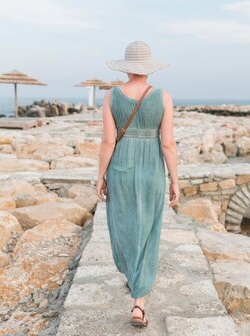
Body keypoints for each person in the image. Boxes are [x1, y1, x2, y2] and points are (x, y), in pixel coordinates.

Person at [96, 41, 180, 327]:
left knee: (123, 225)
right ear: (148, 68)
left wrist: (100, 176)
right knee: (148, 229)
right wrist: (174, 180)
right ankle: (139, 303)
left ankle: (135, 282)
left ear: (127, 67)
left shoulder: (111, 96)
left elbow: (108, 141)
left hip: (121, 168)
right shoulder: (163, 97)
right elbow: (168, 143)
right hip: (151, 171)